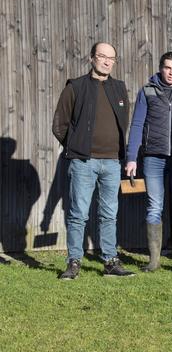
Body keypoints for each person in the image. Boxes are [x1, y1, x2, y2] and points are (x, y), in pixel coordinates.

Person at [52, 42, 135, 279]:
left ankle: (110, 261)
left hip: (112, 163)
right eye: (102, 56)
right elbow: (59, 124)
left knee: (109, 214)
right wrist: (76, 146)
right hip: (83, 162)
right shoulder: (76, 87)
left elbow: (124, 122)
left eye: (111, 58)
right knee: (78, 214)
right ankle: (74, 263)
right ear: (92, 58)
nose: (107, 62)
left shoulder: (119, 88)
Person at [125, 52, 172, 272]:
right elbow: (137, 124)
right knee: (154, 206)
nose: (171, 73)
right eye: (167, 68)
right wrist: (131, 158)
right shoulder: (147, 91)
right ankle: (154, 261)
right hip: (153, 157)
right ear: (160, 68)